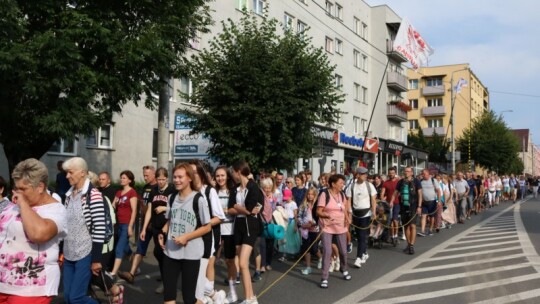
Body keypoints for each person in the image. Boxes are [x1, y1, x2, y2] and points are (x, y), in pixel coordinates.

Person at [0, 159, 67, 303]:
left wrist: (23, 204)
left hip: (31, 288)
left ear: (40, 187)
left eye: (23, 189)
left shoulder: (55, 210)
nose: (18, 193)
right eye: (16, 188)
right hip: (3, 283)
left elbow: (39, 234)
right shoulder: (12, 206)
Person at [158, 163, 212, 304]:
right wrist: (162, 232)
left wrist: (186, 237)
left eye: (180, 177)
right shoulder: (171, 198)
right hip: (171, 252)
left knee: (189, 298)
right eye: (175, 177)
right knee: (168, 297)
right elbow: (170, 219)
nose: (176, 180)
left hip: (191, 253)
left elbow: (207, 227)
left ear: (189, 178)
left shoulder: (198, 199)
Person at [62, 157, 109, 304]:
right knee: (68, 297)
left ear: (82, 172)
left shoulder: (93, 195)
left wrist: (96, 260)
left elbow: (100, 228)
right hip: (69, 253)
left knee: (76, 298)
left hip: (85, 253)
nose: (67, 176)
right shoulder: (68, 195)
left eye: (70, 172)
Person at [189, 160, 227, 304]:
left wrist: (202, 226)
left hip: (207, 235)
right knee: (194, 268)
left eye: (194, 172)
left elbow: (219, 217)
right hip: (191, 237)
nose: (191, 175)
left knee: (206, 265)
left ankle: (208, 295)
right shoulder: (188, 191)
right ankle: (213, 295)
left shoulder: (209, 191)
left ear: (201, 174)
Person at [228, 160, 264, 304]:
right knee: (241, 264)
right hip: (238, 225)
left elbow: (251, 208)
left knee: (243, 263)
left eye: (233, 172)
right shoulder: (235, 189)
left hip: (251, 226)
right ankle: (250, 296)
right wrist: (240, 208)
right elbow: (231, 207)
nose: (232, 175)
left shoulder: (253, 187)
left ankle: (250, 298)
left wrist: (240, 208)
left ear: (238, 171)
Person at [87, 171, 125, 303]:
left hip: (102, 244)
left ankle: (116, 290)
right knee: (87, 274)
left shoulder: (102, 199)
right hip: (88, 245)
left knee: (96, 274)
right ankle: (88, 296)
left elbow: (112, 222)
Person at [119, 166, 157, 282]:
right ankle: (132, 273)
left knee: (160, 252)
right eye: (144, 175)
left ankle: (166, 273)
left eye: (147, 175)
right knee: (140, 248)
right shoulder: (145, 187)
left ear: (154, 174)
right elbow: (142, 205)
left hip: (156, 224)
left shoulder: (158, 188)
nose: (145, 178)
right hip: (145, 224)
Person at [140, 167, 175, 293]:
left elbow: (177, 207)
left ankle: (167, 283)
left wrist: (164, 209)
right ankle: (166, 277)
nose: (160, 182)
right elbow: (149, 210)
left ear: (167, 179)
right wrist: (144, 228)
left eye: (163, 179)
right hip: (155, 227)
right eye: (159, 179)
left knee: (162, 253)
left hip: (167, 227)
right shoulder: (154, 191)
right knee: (159, 254)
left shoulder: (172, 190)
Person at [317, 174, 352, 289]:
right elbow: (319, 211)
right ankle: (324, 277)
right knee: (327, 251)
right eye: (341, 183)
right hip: (327, 227)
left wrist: (347, 219)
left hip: (340, 227)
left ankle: (344, 269)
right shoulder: (324, 194)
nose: (343, 185)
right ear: (333, 184)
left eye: (343, 183)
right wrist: (326, 215)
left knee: (343, 251)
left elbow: (345, 209)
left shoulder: (342, 195)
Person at [215, 166, 240, 303]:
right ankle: (209, 293)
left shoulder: (233, 191)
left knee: (230, 261)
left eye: (222, 175)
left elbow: (239, 210)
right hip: (216, 229)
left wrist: (227, 211)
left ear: (227, 176)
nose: (220, 178)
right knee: (210, 260)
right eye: (217, 176)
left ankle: (232, 292)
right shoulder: (213, 191)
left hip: (230, 229)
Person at [346, 167, 376, 268]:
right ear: (358, 175)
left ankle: (358, 257)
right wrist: (349, 214)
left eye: (366, 174)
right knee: (359, 235)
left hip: (366, 213)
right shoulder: (352, 186)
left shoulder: (369, 185)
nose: (365, 176)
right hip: (355, 213)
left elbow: (373, 200)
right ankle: (364, 253)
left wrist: (374, 212)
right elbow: (348, 200)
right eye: (363, 174)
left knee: (362, 236)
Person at [110, 171, 138, 277]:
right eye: (121, 178)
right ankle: (136, 266)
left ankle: (113, 272)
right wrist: (114, 203)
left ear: (130, 180)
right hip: (118, 223)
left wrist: (130, 226)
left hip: (127, 224)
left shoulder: (132, 192)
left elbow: (134, 210)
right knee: (126, 248)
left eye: (124, 178)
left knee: (119, 248)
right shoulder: (118, 192)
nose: (122, 179)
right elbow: (112, 207)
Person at [390, 166, 422, 255]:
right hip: (404, 207)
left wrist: (419, 206)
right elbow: (395, 193)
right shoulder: (400, 182)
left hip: (413, 206)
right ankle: (409, 245)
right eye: (405, 171)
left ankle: (411, 245)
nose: (406, 172)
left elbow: (420, 194)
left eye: (408, 171)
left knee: (413, 226)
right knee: (406, 226)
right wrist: (392, 201)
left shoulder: (416, 181)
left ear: (412, 172)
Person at [298, 187, 321, 275]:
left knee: (314, 248)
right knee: (306, 248)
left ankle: (320, 258)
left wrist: (312, 224)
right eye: (308, 194)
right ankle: (308, 267)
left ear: (315, 195)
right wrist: (301, 224)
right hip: (305, 230)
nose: (310, 196)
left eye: (312, 194)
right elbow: (299, 216)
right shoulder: (303, 205)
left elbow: (319, 218)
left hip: (315, 229)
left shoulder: (317, 205)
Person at [417, 169, 441, 237]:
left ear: (428, 173)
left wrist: (439, 201)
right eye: (422, 174)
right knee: (423, 216)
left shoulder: (433, 180)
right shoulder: (421, 181)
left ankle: (430, 230)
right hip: (424, 202)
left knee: (431, 217)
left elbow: (438, 191)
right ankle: (422, 231)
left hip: (432, 201)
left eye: (424, 174)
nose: (423, 175)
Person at [380, 167, 399, 245]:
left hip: (397, 203)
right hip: (388, 204)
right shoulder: (386, 182)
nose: (391, 174)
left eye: (392, 173)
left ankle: (396, 235)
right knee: (390, 221)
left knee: (395, 220)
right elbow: (382, 193)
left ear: (395, 173)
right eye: (390, 173)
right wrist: (382, 199)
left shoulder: (398, 182)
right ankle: (392, 236)